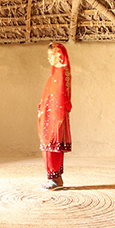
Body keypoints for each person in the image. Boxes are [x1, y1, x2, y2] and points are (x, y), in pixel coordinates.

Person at [37, 42, 72, 190]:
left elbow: (62, 98)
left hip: (55, 117)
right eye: (48, 55)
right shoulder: (55, 74)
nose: (49, 58)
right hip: (49, 117)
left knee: (52, 146)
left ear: (60, 56)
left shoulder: (62, 73)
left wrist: (55, 117)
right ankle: (55, 178)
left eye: (52, 55)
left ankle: (55, 179)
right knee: (49, 147)